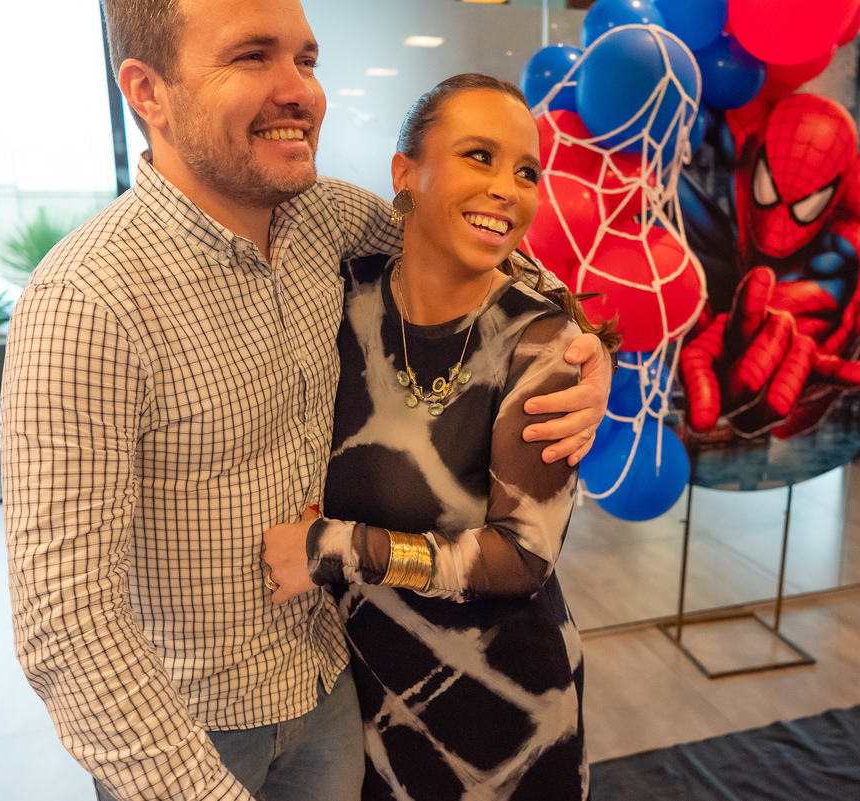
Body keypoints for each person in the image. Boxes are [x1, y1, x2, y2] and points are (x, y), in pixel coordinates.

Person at [0, 1, 612, 800]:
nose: (301, 92)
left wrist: (577, 339)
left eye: (308, 60)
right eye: (253, 56)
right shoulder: (88, 300)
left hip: (335, 688)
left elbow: (473, 239)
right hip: (196, 730)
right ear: (148, 92)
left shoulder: (329, 221)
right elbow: (64, 621)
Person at [262, 74, 619, 801]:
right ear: (405, 173)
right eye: (478, 156)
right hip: (363, 695)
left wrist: (331, 547)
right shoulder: (342, 293)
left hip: (505, 711)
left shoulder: (545, 346)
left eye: (526, 172)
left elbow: (522, 558)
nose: (507, 189)